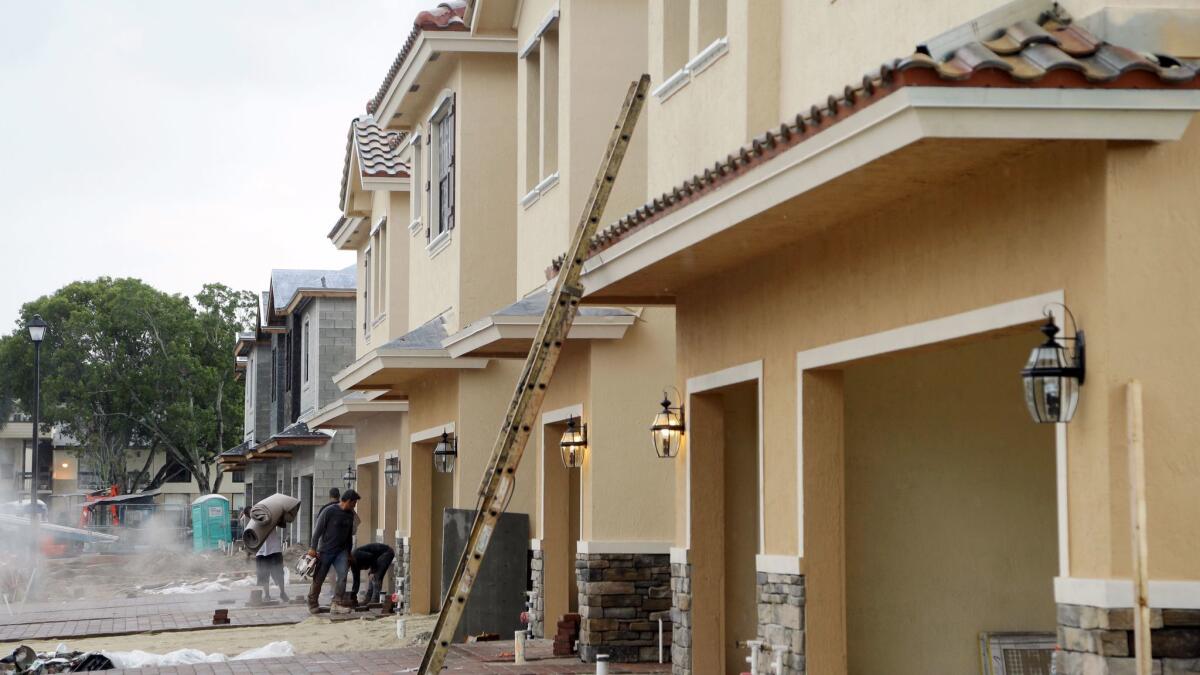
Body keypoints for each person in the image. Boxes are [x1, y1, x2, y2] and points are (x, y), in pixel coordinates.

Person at [306, 489, 359, 613]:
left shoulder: (350, 515)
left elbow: (349, 536)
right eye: (354, 503)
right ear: (349, 501)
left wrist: (349, 552)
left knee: (343, 576)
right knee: (319, 577)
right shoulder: (329, 511)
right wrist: (313, 548)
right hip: (326, 551)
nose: (355, 505)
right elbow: (317, 531)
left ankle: (336, 603)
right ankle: (312, 602)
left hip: (341, 552)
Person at [255, 524, 288, 602]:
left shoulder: (271, 512)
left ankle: (282, 593)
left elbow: (283, 522)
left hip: (274, 548)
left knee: (279, 572)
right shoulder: (253, 514)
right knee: (263, 573)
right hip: (260, 549)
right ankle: (267, 595)